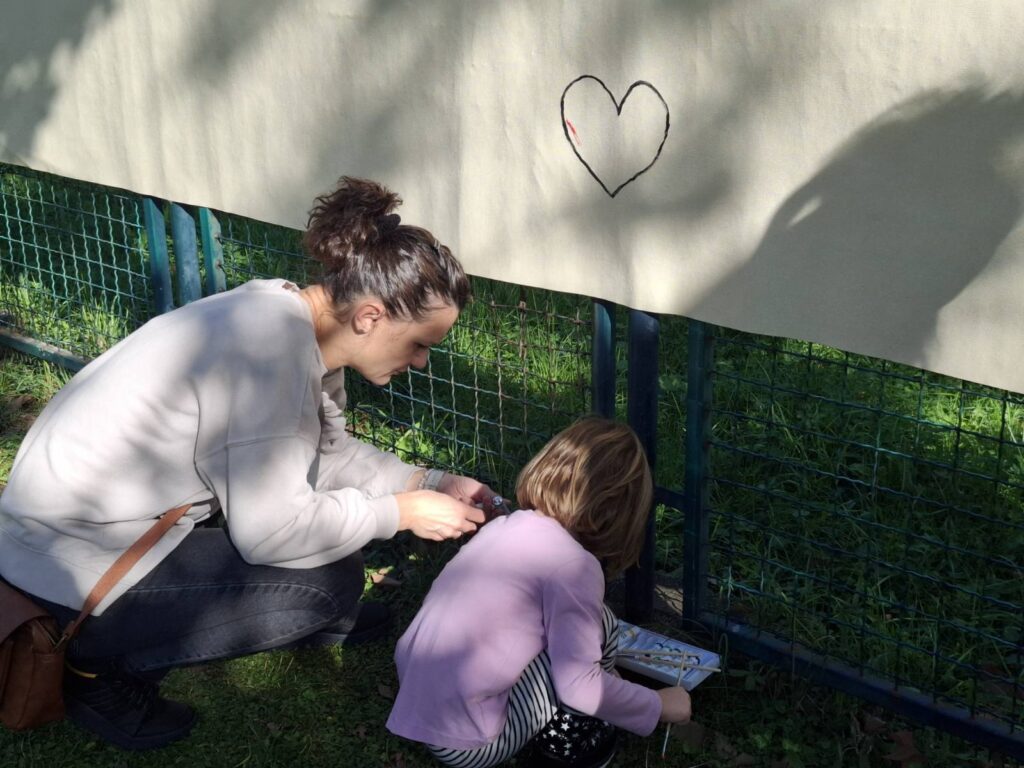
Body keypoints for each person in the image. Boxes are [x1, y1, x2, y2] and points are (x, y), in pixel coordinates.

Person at [0, 177, 495, 750]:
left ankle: (306, 619)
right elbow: (273, 535)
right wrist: (401, 512)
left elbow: (325, 455)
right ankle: (95, 669)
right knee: (326, 582)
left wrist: (427, 481)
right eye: (419, 343)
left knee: (337, 540)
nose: (423, 361)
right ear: (369, 316)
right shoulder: (269, 358)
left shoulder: (287, 315)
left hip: (89, 527)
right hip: (65, 559)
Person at [386, 417, 693, 768]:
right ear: (621, 513)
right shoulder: (576, 567)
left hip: (418, 702)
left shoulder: (505, 524)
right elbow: (579, 686)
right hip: (468, 743)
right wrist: (659, 705)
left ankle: (606, 700)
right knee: (602, 626)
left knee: (578, 635)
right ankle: (574, 742)